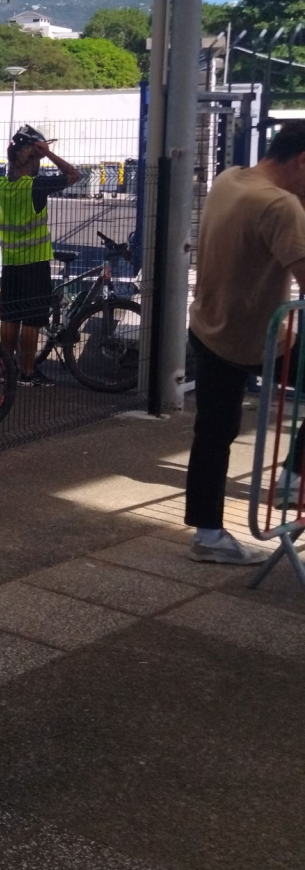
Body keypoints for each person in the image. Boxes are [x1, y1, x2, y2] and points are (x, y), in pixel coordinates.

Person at [184, 120, 305, 564]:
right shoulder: (279, 205)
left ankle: (208, 535)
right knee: (216, 431)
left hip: (209, 327)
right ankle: (293, 476)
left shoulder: (230, 179)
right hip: (257, 339)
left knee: (212, 434)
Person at [0, 125, 81, 383]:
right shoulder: (35, 186)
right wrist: (49, 153)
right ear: (34, 160)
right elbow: (74, 175)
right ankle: (27, 372)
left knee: (10, 317)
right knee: (32, 319)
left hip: (10, 262)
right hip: (33, 262)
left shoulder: (1, 185)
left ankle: (7, 370)